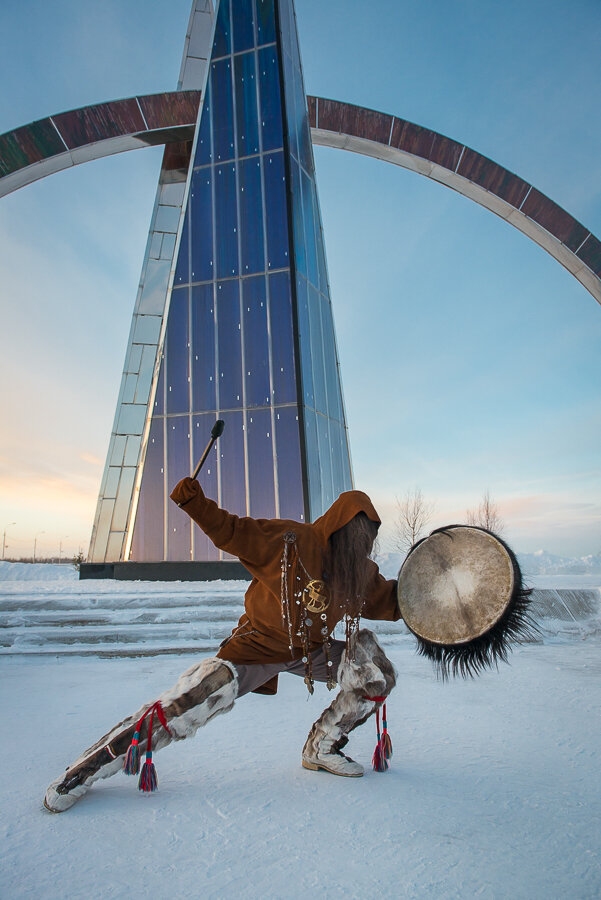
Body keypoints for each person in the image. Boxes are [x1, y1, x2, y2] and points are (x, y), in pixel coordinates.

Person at [44, 478, 399, 813]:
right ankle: (85, 770)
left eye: (366, 536)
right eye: (354, 532)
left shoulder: (358, 573)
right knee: (188, 704)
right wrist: (194, 502)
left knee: (375, 674)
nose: (360, 542)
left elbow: (394, 601)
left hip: (309, 655)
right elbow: (234, 531)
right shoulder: (292, 540)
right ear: (337, 525)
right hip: (255, 649)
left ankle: (322, 746)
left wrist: (437, 598)